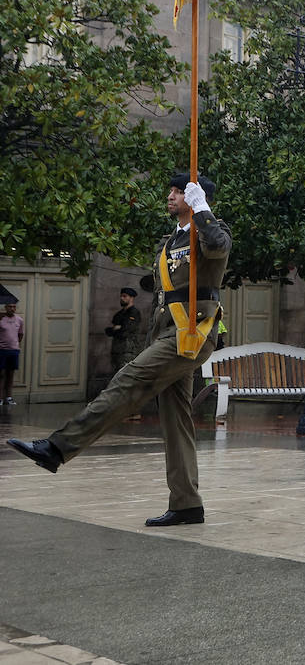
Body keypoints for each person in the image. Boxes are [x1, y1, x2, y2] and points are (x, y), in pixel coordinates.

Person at [8, 173, 231, 526]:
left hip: (192, 333)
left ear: (195, 198)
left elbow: (218, 247)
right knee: (176, 419)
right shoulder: (171, 239)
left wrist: (203, 210)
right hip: (168, 333)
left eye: (179, 191)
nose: (171, 196)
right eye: (172, 190)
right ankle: (187, 502)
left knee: (129, 380)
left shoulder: (209, 233)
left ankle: (58, 448)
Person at [103, 287, 143, 374]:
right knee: (116, 374)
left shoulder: (134, 313)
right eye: (121, 296)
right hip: (116, 350)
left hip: (128, 350)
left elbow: (126, 331)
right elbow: (109, 331)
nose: (122, 298)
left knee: (126, 374)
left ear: (132, 298)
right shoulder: (119, 314)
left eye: (125, 296)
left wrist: (117, 329)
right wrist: (116, 328)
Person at [1, 299, 25, 405]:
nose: (12, 308)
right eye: (10, 306)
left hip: (14, 351)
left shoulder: (19, 320)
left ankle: (9, 397)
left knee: (10, 375)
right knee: (1, 375)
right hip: (1, 351)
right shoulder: (1, 319)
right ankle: (0, 398)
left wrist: (15, 344)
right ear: (5, 308)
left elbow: (20, 335)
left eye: (14, 306)